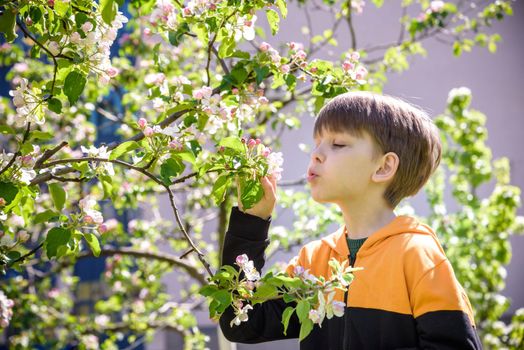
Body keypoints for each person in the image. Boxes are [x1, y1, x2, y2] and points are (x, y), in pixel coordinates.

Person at [219, 91, 482, 349]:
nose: (316, 154)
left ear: (383, 167)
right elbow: (240, 321)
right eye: (317, 144)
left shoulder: (417, 255)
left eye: (338, 144)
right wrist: (252, 219)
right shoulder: (313, 261)